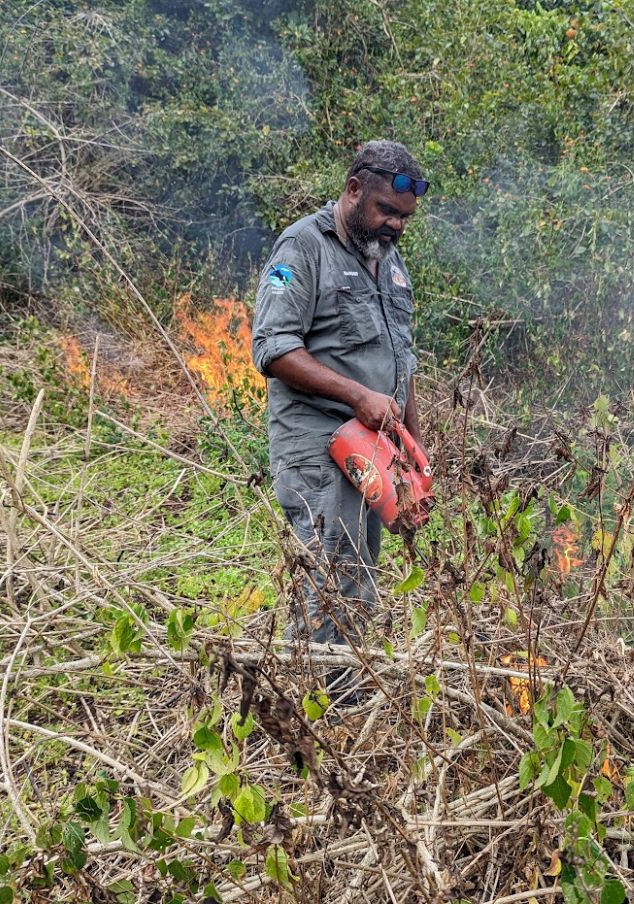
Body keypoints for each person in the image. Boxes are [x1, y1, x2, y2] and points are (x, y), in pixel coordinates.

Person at [251, 140, 427, 676]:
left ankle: (343, 701)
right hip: (317, 445)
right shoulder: (301, 248)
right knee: (328, 569)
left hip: (375, 450)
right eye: (386, 211)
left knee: (359, 577)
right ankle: (310, 708)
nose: (395, 226)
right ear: (354, 190)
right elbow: (273, 348)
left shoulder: (391, 264)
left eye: (404, 218)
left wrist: (415, 454)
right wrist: (356, 396)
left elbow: (403, 362)